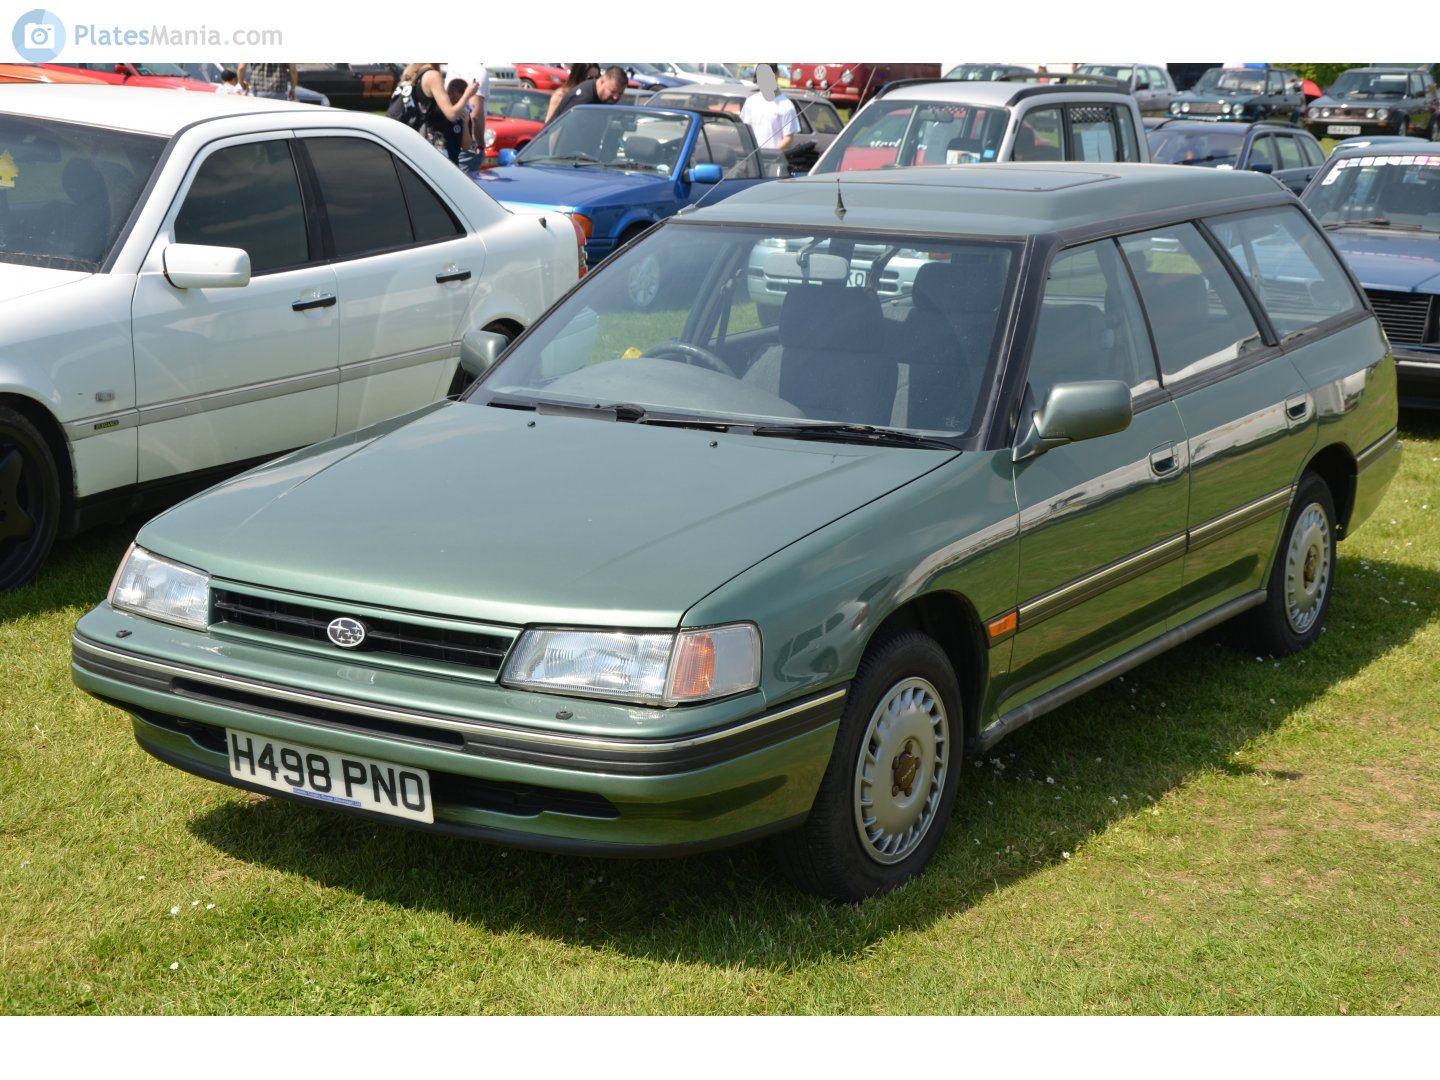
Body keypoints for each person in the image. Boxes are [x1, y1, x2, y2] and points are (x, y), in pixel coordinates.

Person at [401, 62, 480, 167]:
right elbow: (451, 114)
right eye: (454, 100)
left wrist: (465, 125)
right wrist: (467, 94)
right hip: (434, 160)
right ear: (448, 94)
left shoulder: (464, 114)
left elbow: (466, 147)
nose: (459, 104)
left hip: (452, 162)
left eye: (461, 101)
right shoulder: (439, 110)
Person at [740, 64, 800, 152]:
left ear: (777, 74)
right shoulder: (751, 102)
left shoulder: (787, 106)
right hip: (753, 160)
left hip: (774, 162)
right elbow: (744, 131)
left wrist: (770, 155)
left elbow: (788, 139)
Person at [446, 64, 490, 174]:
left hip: (454, 148)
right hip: (466, 150)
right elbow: (476, 115)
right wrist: (480, 145)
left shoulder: (453, 67)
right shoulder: (479, 71)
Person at [548, 65, 626, 123]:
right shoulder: (581, 100)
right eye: (612, 91)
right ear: (602, 81)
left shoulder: (601, 99)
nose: (616, 97)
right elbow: (559, 130)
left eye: (620, 93)